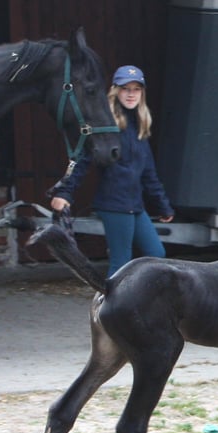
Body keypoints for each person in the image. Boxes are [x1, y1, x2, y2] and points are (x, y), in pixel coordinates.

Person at [47, 65, 174, 277]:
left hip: (135, 205)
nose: (131, 94)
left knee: (156, 252)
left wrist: (163, 206)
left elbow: (149, 174)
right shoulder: (106, 127)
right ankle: (107, 307)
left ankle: (137, 298)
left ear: (142, 93)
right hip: (114, 204)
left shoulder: (140, 128)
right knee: (120, 263)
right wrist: (64, 193)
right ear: (116, 91)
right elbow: (83, 159)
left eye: (136, 89)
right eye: (126, 88)